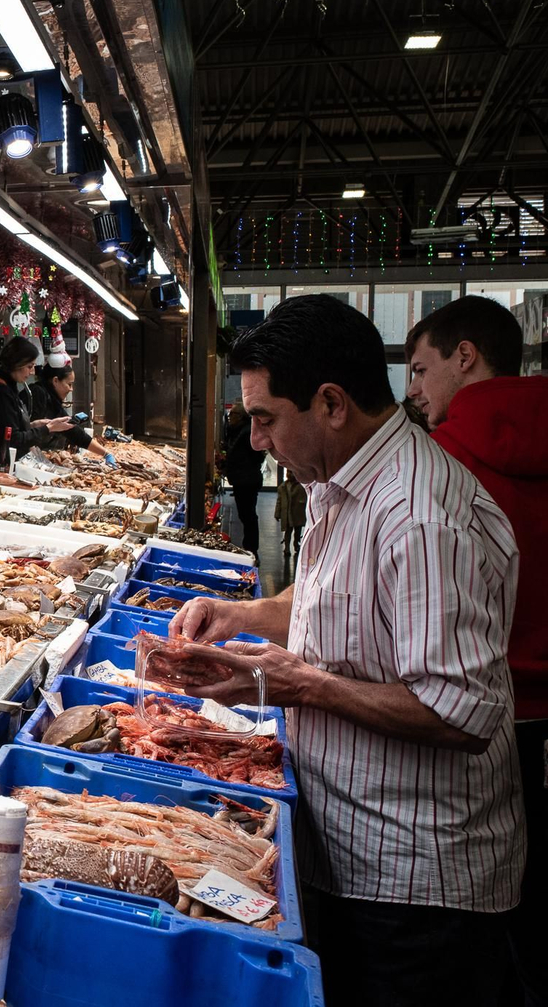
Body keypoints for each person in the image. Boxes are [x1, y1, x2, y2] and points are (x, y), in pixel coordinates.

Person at [167, 294, 523, 1007]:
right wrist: (239, 615)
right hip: (350, 850)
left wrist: (300, 686)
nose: (259, 440)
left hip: (415, 890)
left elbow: (461, 713)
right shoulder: (343, 480)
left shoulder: (421, 516)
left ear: (330, 402)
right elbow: (328, 597)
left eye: (267, 418)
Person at [405, 295, 548, 1006]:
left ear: (467, 356)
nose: (415, 390)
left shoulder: (439, 471)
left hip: (488, 728)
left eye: (423, 368)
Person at [0, 337, 76, 470]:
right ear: (17, 364)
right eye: (29, 366)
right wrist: (47, 429)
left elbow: (6, 428)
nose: (31, 371)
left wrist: (33, 425)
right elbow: (13, 438)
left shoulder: (8, 387)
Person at [26, 360, 116, 465]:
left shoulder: (53, 401)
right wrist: (35, 462)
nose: (71, 389)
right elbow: (28, 434)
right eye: (69, 384)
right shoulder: (38, 394)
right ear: (55, 381)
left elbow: (75, 432)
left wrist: (106, 454)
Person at [221, 406, 265, 555]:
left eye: (232, 415)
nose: (229, 417)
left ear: (240, 416)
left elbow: (257, 456)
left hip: (247, 480)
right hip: (242, 479)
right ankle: (250, 546)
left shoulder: (246, 433)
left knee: (248, 515)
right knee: (245, 514)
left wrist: (242, 467)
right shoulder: (237, 431)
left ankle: (251, 548)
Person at [274, 467, 306, 566]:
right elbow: (279, 501)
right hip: (287, 514)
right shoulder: (283, 487)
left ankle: (296, 544)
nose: (290, 474)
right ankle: (287, 547)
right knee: (288, 532)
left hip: (297, 513)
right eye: (288, 472)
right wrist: (277, 513)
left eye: (291, 472)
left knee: (297, 531)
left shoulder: (301, 486)